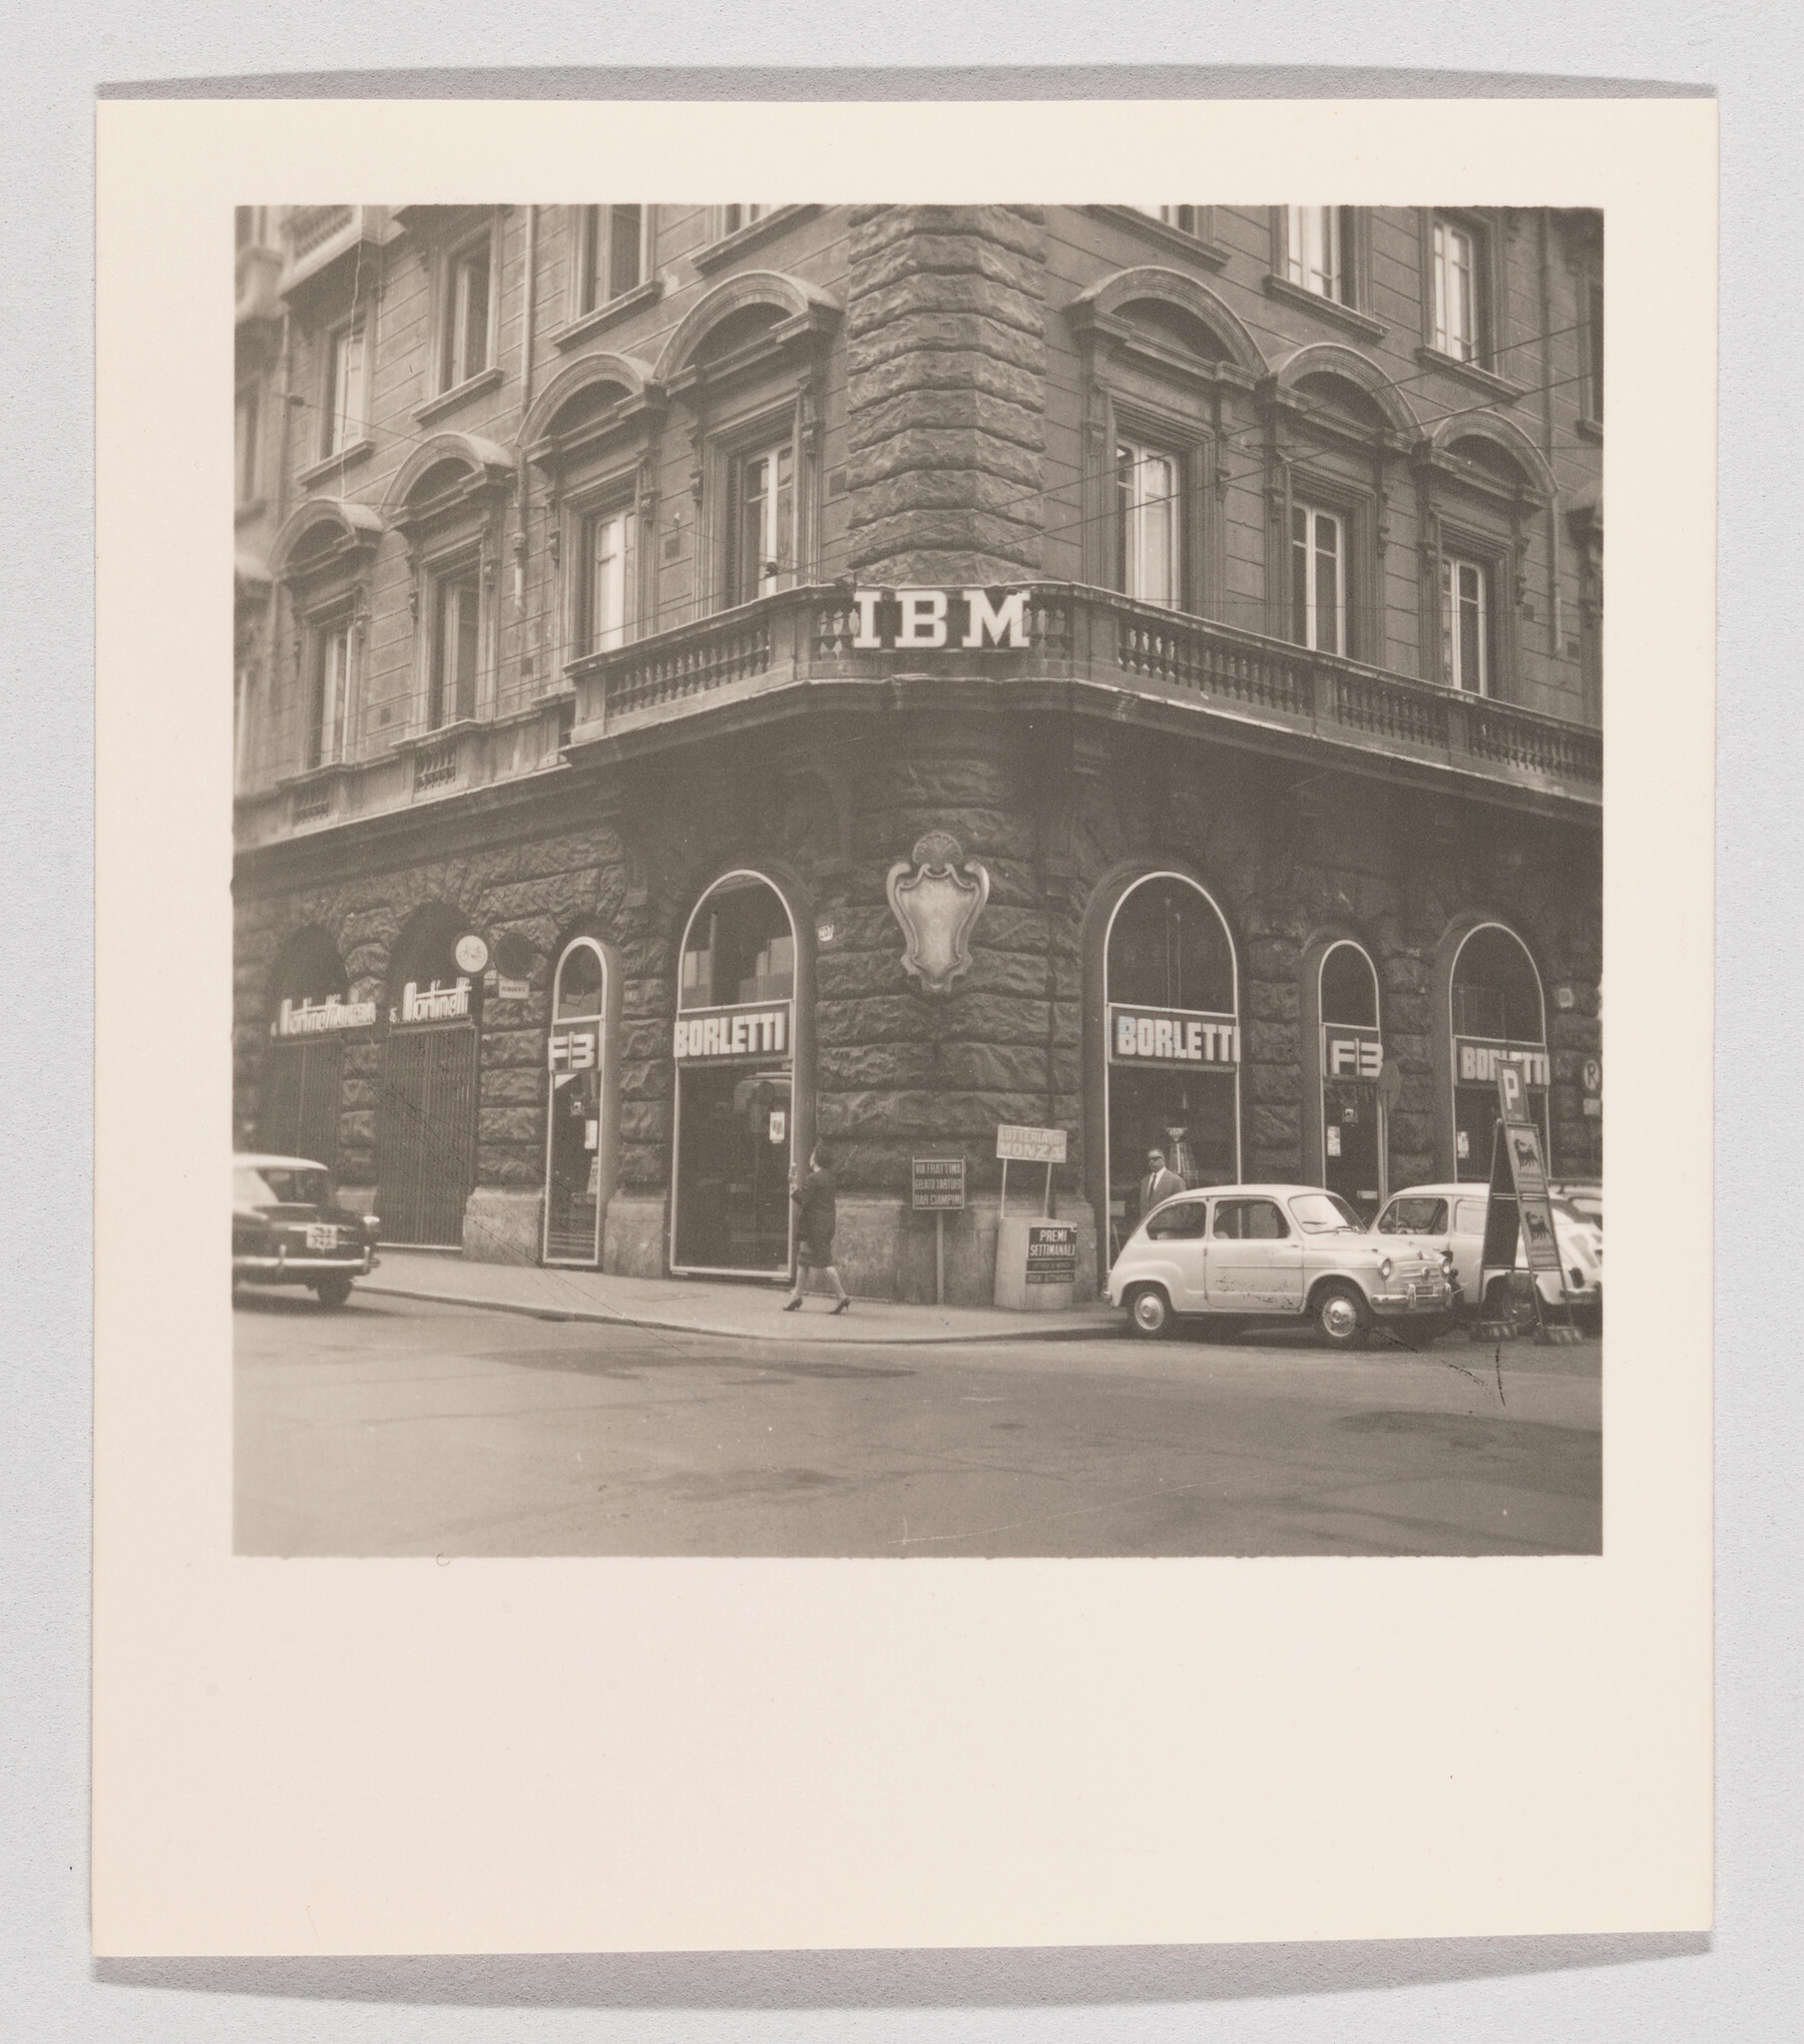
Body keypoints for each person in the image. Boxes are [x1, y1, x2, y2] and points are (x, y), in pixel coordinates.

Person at [785, 1141, 850, 1313]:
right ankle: (796, 1296)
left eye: (812, 1155)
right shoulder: (831, 1177)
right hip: (827, 1223)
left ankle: (842, 1296)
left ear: (816, 1159)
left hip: (814, 1226)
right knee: (803, 1259)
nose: (810, 1157)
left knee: (825, 1261)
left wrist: (793, 1186)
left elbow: (804, 1202)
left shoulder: (812, 1178)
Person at [1139, 1147, 1185, 1224]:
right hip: (1146, 1226)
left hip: (1167, 1227)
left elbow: (1183, 1208)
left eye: (1155, 1159)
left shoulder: (1175, 1180)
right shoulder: (1144, 1181)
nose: (1151, 1162)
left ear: (1163, 1160)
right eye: (1149, 1159)